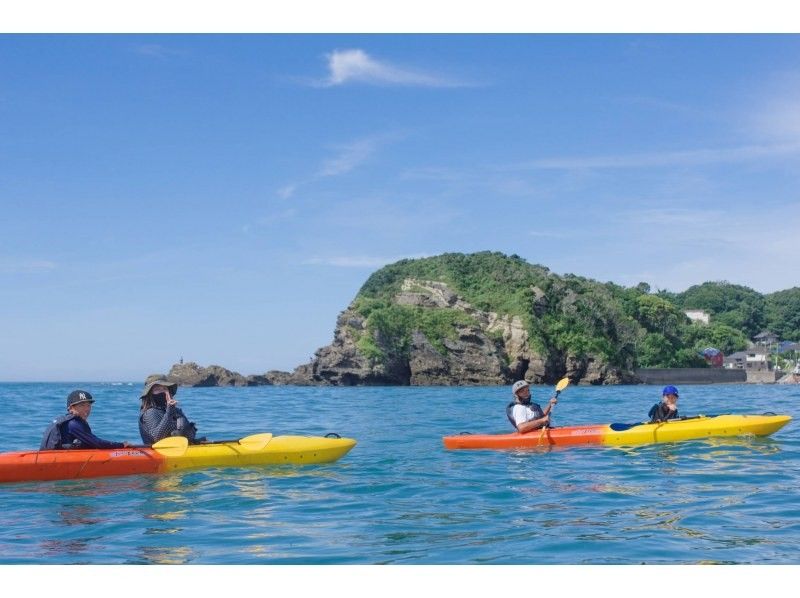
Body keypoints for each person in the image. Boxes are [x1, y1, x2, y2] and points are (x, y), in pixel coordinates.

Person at [40, 390, 130, 450]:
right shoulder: (73, 424)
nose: (86, 409)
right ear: (71, 408)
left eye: (88, 405)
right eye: (82, 405)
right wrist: (121, 445)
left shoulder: (68, 421)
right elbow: (97, 443)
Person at [138, 378, 200, 445]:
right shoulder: (150, 412)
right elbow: (158, 437)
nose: (162, 392)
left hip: (180, 449)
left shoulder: (175, 410)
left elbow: (189, 432)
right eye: (157, 389)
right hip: (159, 453)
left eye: (164, 389)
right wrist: (169, 410)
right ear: (149, 393)